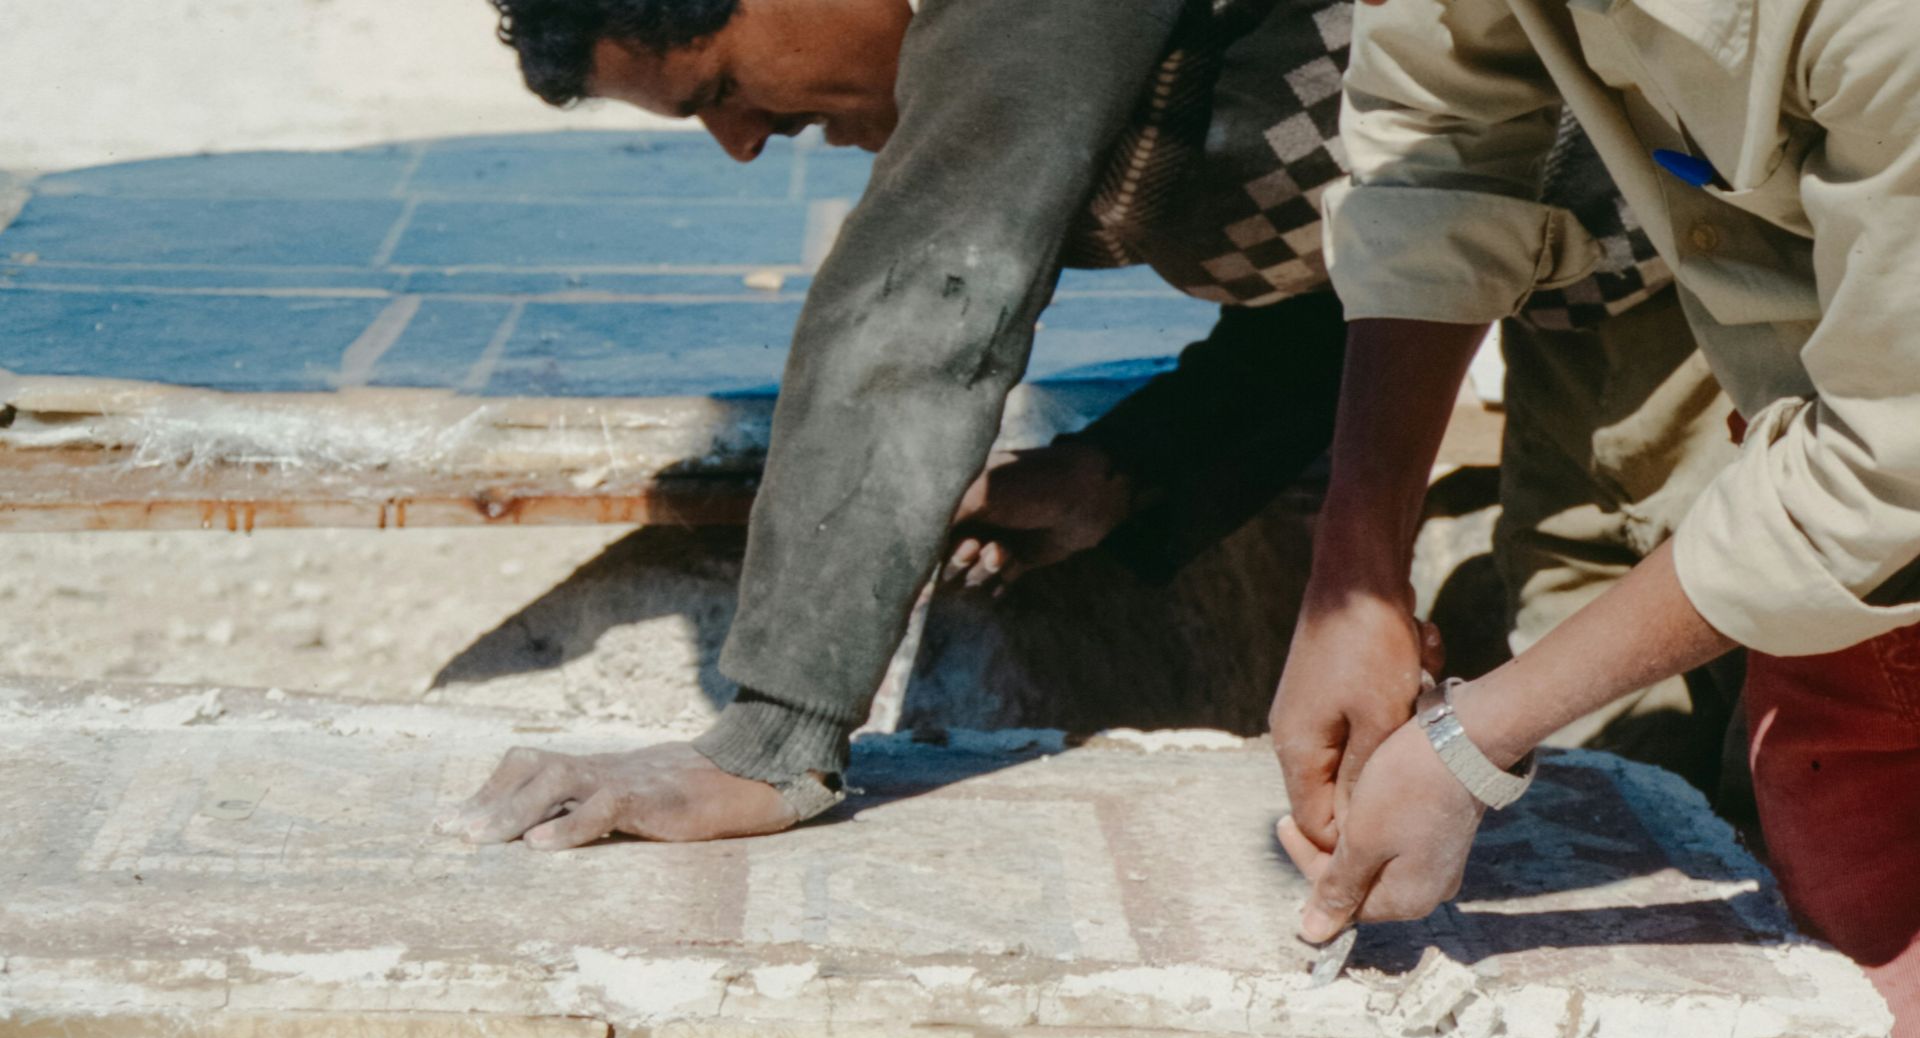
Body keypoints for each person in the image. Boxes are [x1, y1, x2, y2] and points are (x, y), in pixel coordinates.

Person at [441, 0, 1726, 852]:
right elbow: (1365, 279)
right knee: (1599, 659)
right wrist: (1132, 471)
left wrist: (769, 739)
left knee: (1693, 656)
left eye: (720, 84)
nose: (738, 142)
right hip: (1569, 277)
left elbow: (925, 295)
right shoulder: (1101, 75)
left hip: (1715, 253)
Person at [1273, 0, 1920, 1038]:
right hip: (1844, 592)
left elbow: (1887, 463)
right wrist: (1356, 581)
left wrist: (1467, 747)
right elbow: (1437, 140)